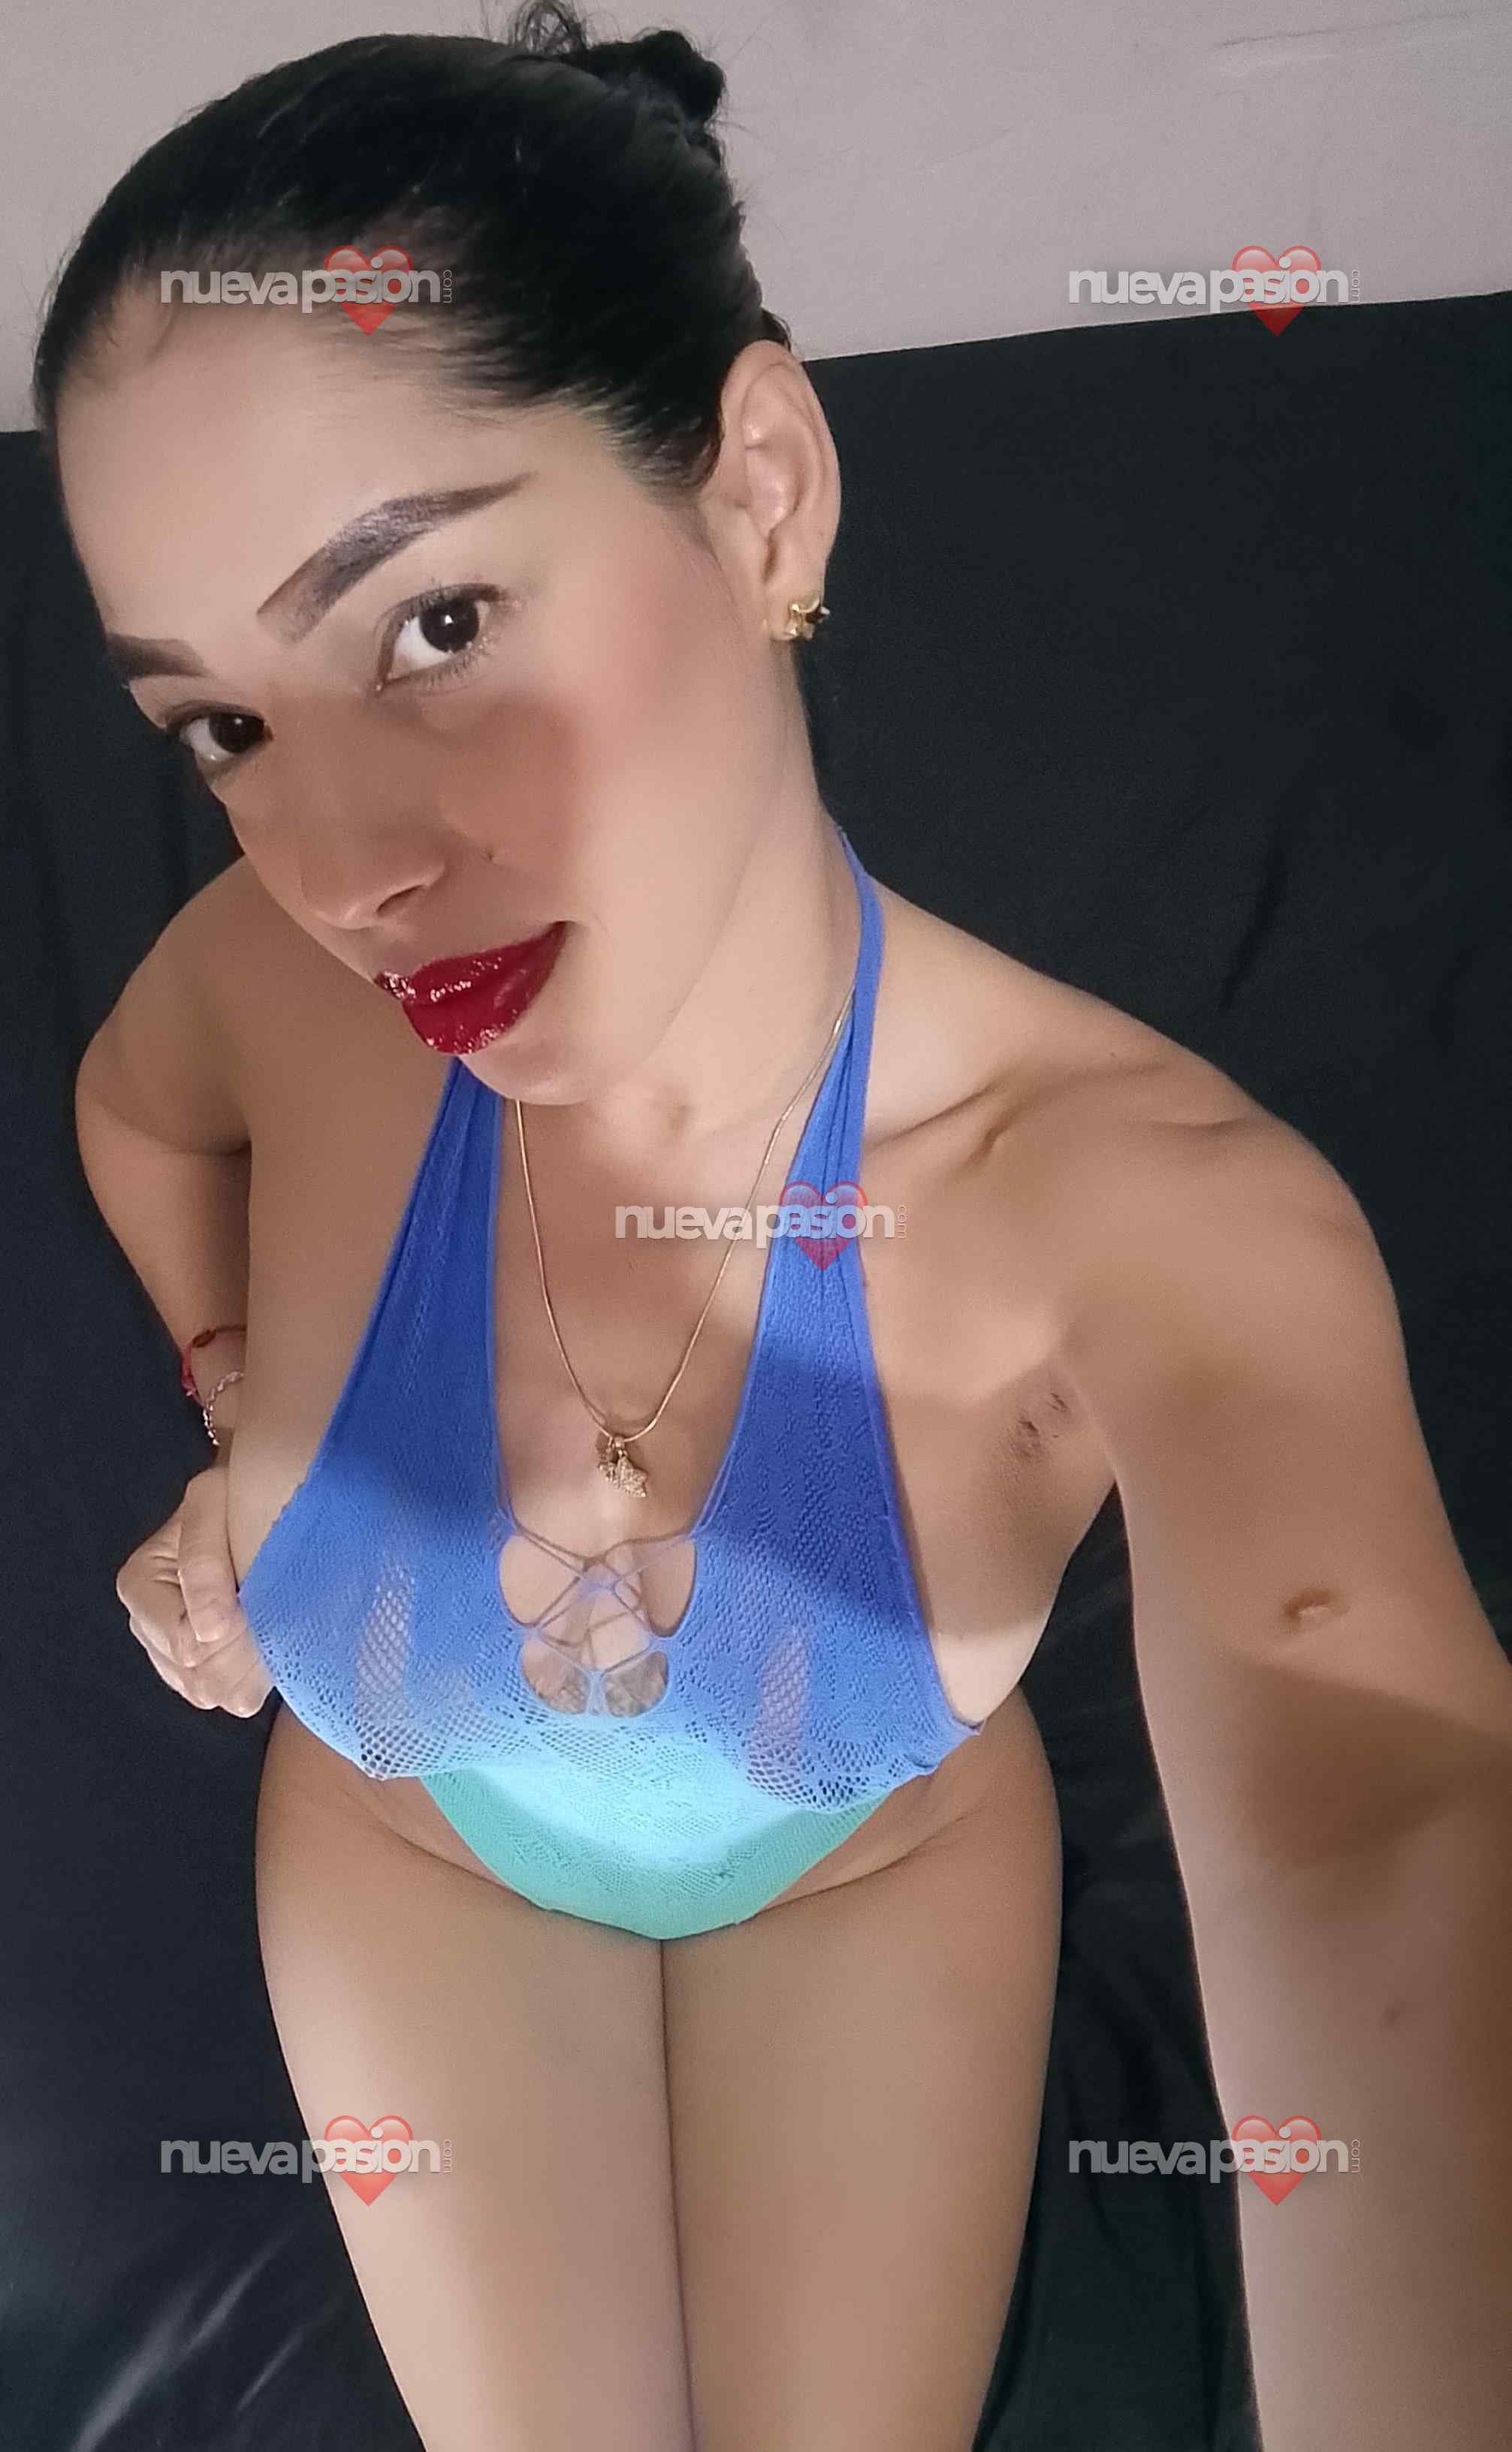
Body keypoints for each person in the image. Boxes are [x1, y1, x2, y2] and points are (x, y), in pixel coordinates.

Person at [41, 8, 1512, 2449]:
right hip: (417, 1855)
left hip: (863, 1883)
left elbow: (1373, 1798)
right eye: (223, 726)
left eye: (434, 623)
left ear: (760, 495)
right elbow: (134, 1113)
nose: (347, 872)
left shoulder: (1139, 1207)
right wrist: (237, 1404)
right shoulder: (270, 990)